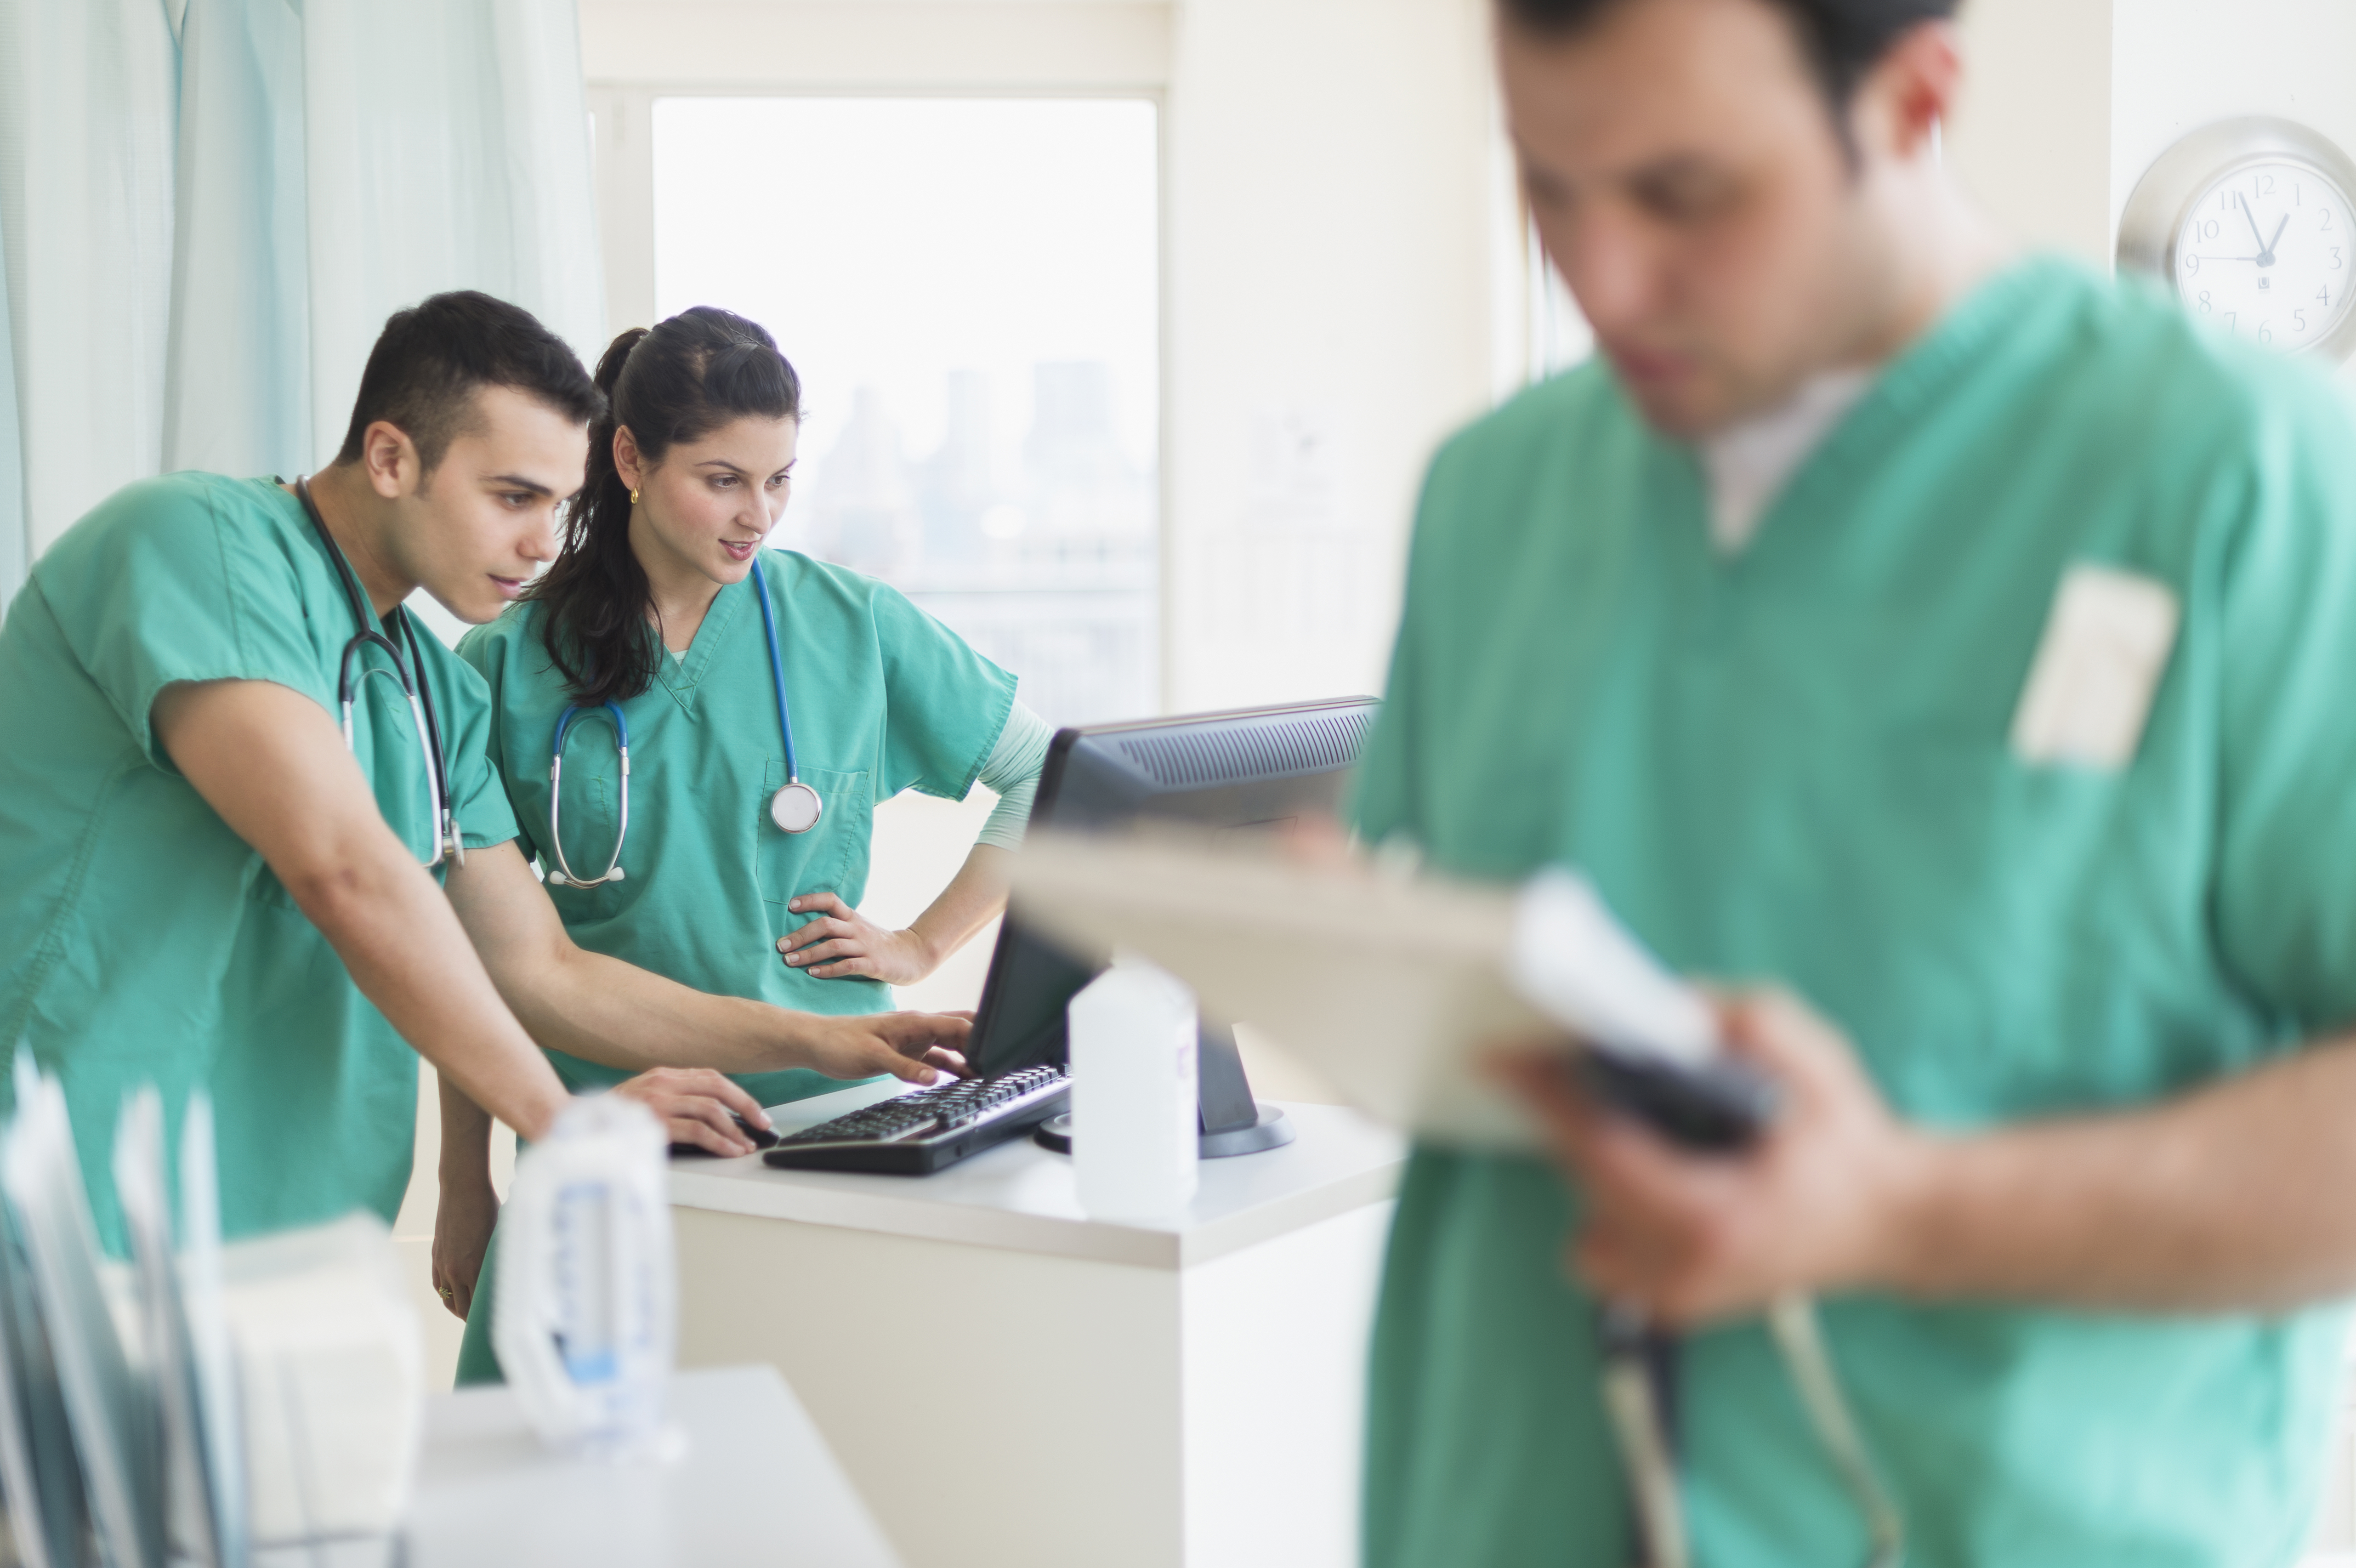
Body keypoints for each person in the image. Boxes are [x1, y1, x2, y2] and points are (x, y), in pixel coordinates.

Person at [1353, 0, 2356, 1564]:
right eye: (1544, 186)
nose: (1599, 278)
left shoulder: (2239, 477)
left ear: (1909, 97)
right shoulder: (1491, 494)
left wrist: (1901, 1209)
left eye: (1684, 193)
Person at [0, 291, 970, 1257]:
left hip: (289, 1225)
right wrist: (563, 1119)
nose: (544, 542)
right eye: (512, 497)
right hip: (67, 1196)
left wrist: (821, 1038)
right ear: (391, 458)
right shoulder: (192, 542)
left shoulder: (432, 694)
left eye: (557, 503)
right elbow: (342, 867)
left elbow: (538, 967)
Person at [443, 307, 1050, 1381]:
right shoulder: (505, 661)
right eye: (722, 478)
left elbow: (1040, 775)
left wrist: (919, 944)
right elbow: (471, 956)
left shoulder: (848, 623)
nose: (756, 513)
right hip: (612, 1127)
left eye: (778, 479)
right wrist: (463, 1178)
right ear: (627, 457)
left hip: (837, 1121)